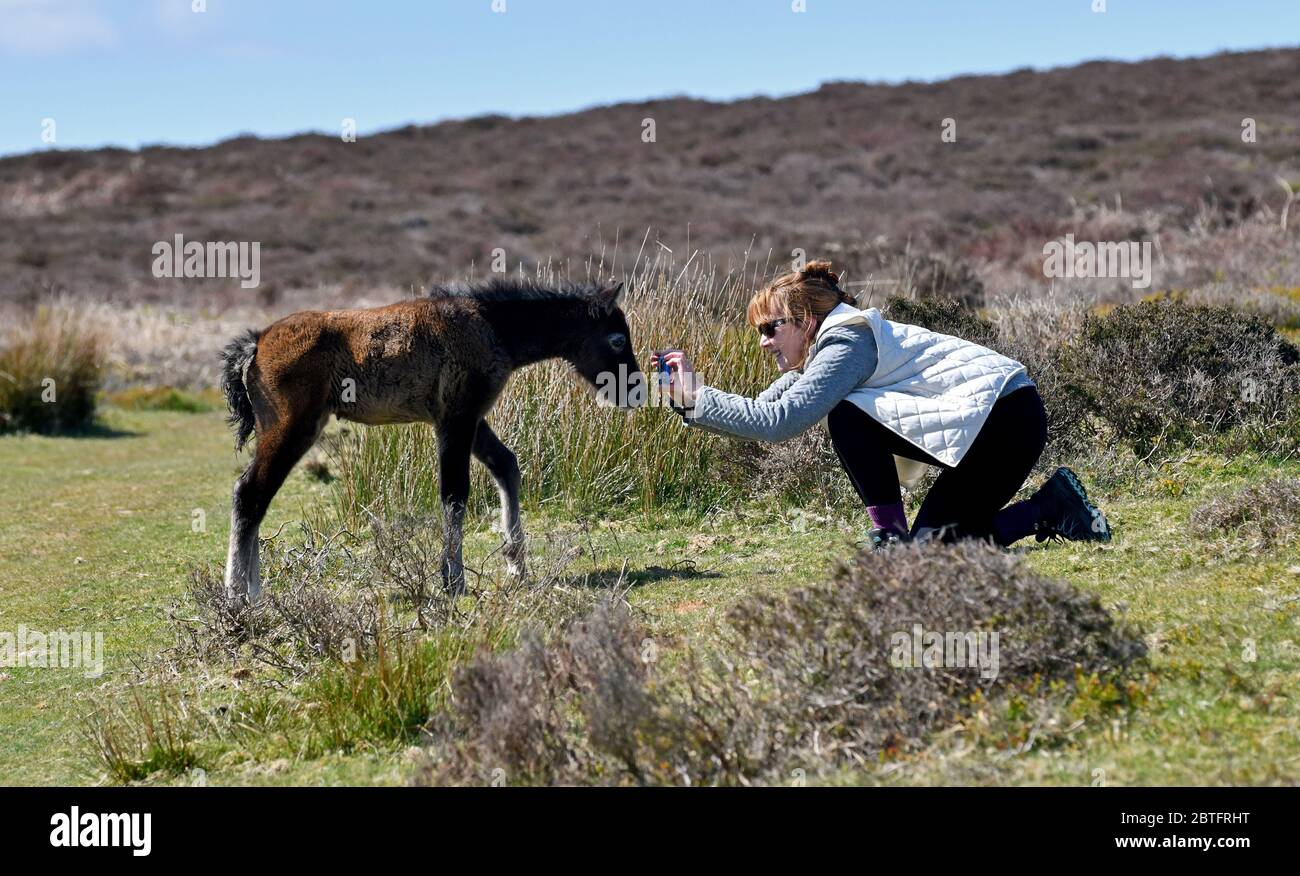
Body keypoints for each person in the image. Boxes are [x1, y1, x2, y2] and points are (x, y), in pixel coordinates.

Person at [651, 261, 1110, 549]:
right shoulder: (826, 349)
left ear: (806, 320)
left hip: (1008, 420)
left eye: (770, 329)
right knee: (931, 553)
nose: (763, 343)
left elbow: (779, 423)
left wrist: (695, 397)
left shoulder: (846, 342)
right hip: (990, 423)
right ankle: (1050, 507)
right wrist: (688, 400)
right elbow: (759, 410)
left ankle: (889, 535)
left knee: (846, 412)